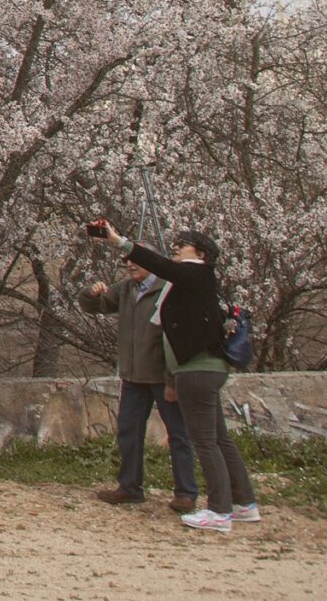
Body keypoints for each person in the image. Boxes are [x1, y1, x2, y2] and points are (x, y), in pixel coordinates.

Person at [86, 223, 254, 530]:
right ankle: (245, 503)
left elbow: (160, 266)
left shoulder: (194, 274)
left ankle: (218, 510)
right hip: (204, 368)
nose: (176, 246)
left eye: (184, 244)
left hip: (196, 370)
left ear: (201, 254)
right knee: (219, 438)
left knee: (204, 441)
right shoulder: (192, 285)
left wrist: (118, 241)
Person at [79, 256, 197, 510]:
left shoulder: (168, 289)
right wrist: (90, 293)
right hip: (133, 376)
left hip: (161, 375)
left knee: (177, 433)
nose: (131, 266)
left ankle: (186, 492)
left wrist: (172, 379)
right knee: (128, 431)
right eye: (127, 263)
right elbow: (95, 305)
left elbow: (176, 336)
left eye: (137, 262)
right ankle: (130, 486)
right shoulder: (127, 289)